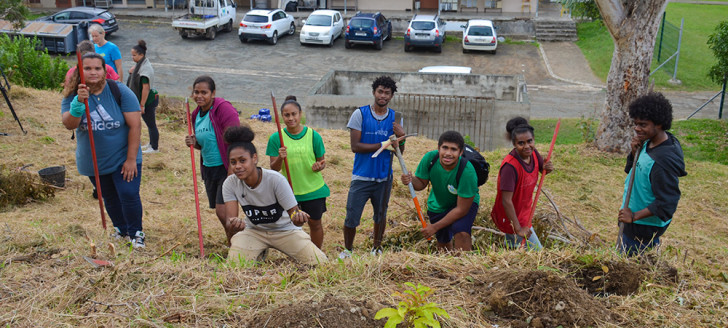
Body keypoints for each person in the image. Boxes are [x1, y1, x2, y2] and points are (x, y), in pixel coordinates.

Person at [60, 53, 145, 247]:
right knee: (109, 196)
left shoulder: (120, 91)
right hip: (94, 160)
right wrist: (78, 105)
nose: (93, 72)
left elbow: (135, 125)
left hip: (123, 156)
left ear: (105, 71)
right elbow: (69, 124)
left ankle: (136, 233)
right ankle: (121, 229)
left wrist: (131, 159)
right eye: (87, 68)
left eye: (97, 68)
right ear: (80, 72)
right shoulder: (73, 95)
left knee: (128, 193)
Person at [223, 126, 328, 265]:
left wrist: (298, 218)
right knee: (234, 266)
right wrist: (234, 224)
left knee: (320, 263)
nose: (237, 166)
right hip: (254, 231)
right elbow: (230, 220)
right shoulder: (230, 183)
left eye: (243, 160)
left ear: (254, 158)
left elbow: (293, 213)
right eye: (233, 162)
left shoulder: (275, 179)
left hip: (286, 231)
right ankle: (259, 251)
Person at [341, 75, 405, 259]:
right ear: (373, 92)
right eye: (380, 91)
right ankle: (348, 250)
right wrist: (383, 144)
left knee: (380, 215)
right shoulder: (360, 114)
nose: (383, 96)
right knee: (352, 216)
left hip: (384, 177)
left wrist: (401, 137)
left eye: (387, 93)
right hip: (362, 176)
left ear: (391, 96)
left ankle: (376, 249)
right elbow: (356, 146)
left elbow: (399, 151)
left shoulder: (396, 119)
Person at [618, 93, 687, 256]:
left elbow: (667, 203)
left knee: (634, 265)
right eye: (635, 123)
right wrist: (634, 152)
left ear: (660, 124)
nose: (637, 128)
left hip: (643, 226)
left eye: (643, 124)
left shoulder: (662, 161)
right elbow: (633, 171)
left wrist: (634, 216)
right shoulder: (650, 141)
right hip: (633, 218)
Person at [266, 96, 330, 249]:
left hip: (313, 190)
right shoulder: (277, 138)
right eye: (286, 115)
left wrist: (318, 166)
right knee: (292, 227)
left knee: (315, 223)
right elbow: (273, 169)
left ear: (300, 114)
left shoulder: (313, 136)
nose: (290, 118)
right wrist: (280, 158)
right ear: (282, 116)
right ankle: (298, 253)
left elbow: (322, 162)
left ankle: (316, 254)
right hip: (289, 192)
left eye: (294, 114)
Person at [400, 131, 479, 252]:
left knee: (461, 231)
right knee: (443, 240)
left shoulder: (467, 172)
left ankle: (462, 267)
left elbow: (461, 210)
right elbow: (421, 183)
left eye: (453, 149)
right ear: (438, 148)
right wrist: (410, 180)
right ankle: (446, 267)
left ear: (461, 152)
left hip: (463, 204)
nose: (448, 153)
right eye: (445, 148)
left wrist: (434, 227)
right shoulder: (430, 159)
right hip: (439, 204)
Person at [184, 76, 240, 244]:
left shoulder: (223, 109)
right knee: (221, 212)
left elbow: (236, 138)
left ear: (213, 93)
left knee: (224, 213)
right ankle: (234, 242)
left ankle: (242, 242)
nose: (199, 96)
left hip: (225, 166)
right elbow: (205, 143)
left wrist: (232, 166)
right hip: (209, 168)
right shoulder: (196, 114)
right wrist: (194, 143)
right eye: (196, 92)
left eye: (204, 92)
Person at [491, 117, 553, 250]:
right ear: (514, 144)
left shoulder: (533, 154)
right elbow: (506, 201)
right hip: (512, 219)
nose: (526, 146)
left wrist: (548, 168)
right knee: (536, 252)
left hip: (524, 215)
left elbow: (543, 169)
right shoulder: (510, 167)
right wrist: (518, 228)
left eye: (530, 141)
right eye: (521, 143)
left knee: (516, 253)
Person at [126, 40, 160, 154]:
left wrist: (142, 104)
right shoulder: (141, 64)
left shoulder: (145, 69)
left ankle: (154, 147)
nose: (132, 57)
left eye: (134, 55)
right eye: (132, 55)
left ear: (141, 55)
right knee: (149, 124)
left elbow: (146, 88)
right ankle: (151, 144)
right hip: (145, 100)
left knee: (151, 124)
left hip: (148, 100)